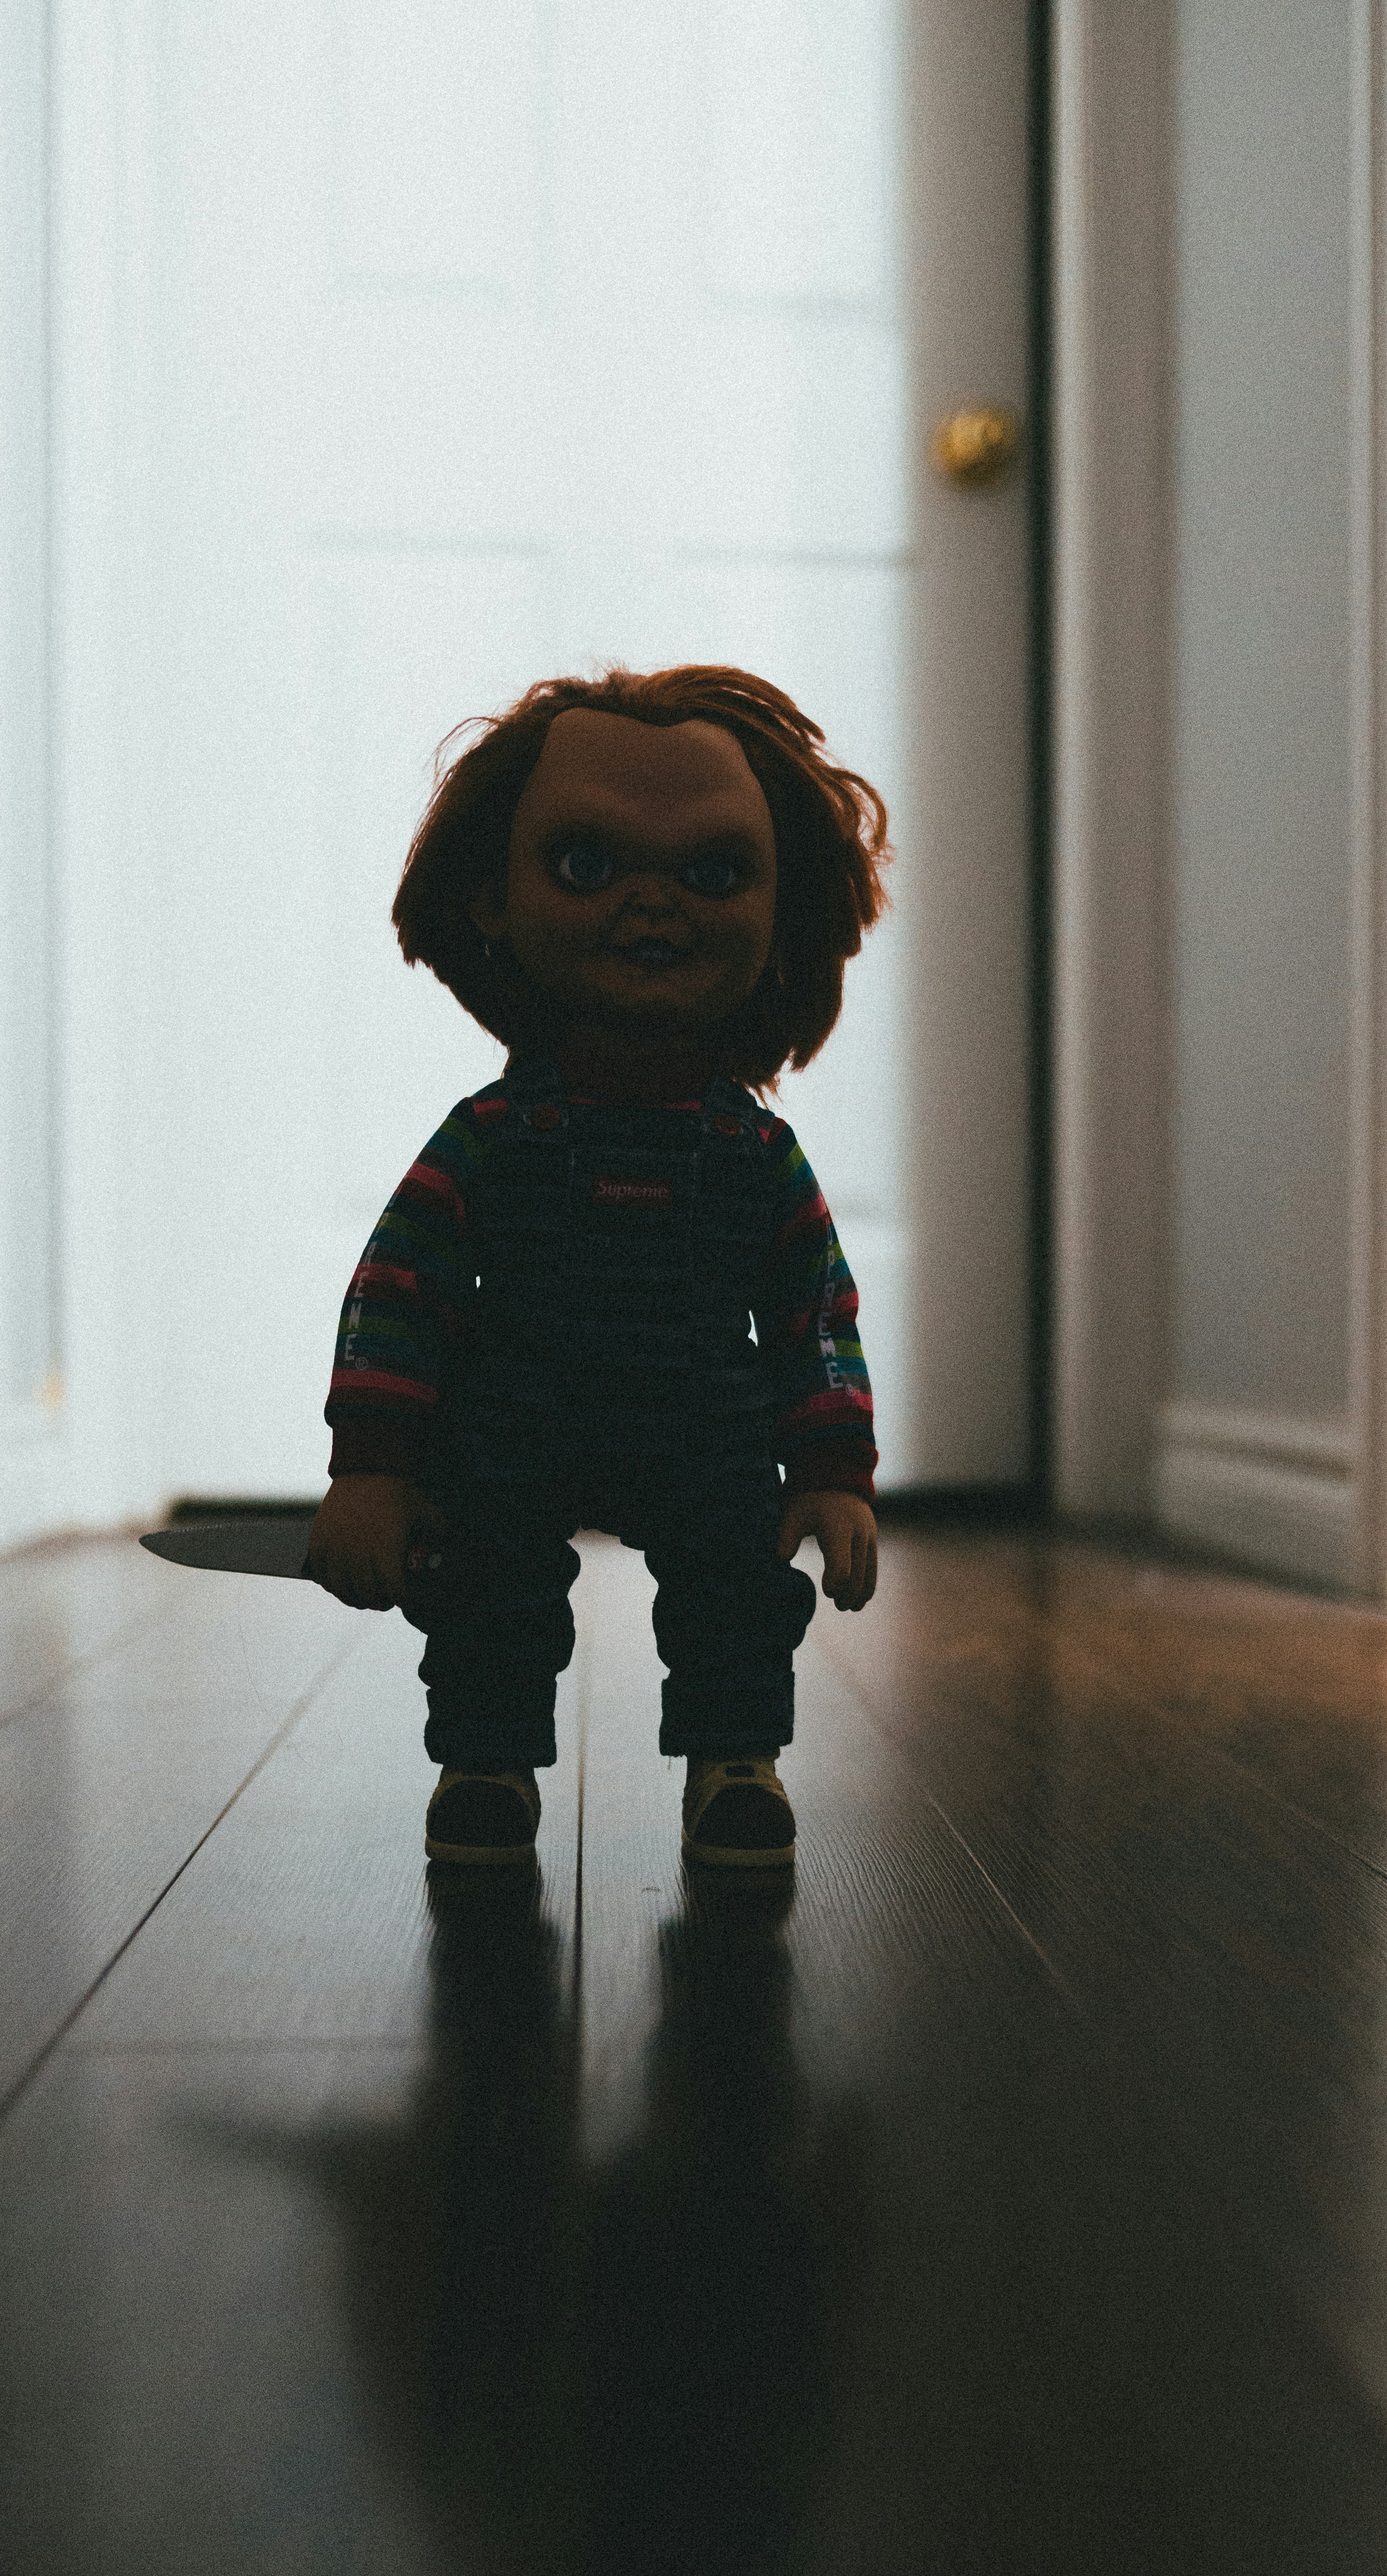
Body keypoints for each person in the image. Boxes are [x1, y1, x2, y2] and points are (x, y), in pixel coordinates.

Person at [304, 666, 885, 1868]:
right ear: (493, 899)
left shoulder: (756, 1154)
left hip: (709, 1423)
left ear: (786, 912)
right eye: (584, 865)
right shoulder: (488, 1140)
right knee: (485, 1591)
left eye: (713, 873)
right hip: (513, 1414)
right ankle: (484, 1761)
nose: (650, 906)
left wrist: (832, 1466)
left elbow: (814, 1313)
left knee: (734, 1593)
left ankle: (736, 1759)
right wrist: (372, 1465)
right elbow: (396, 1291)